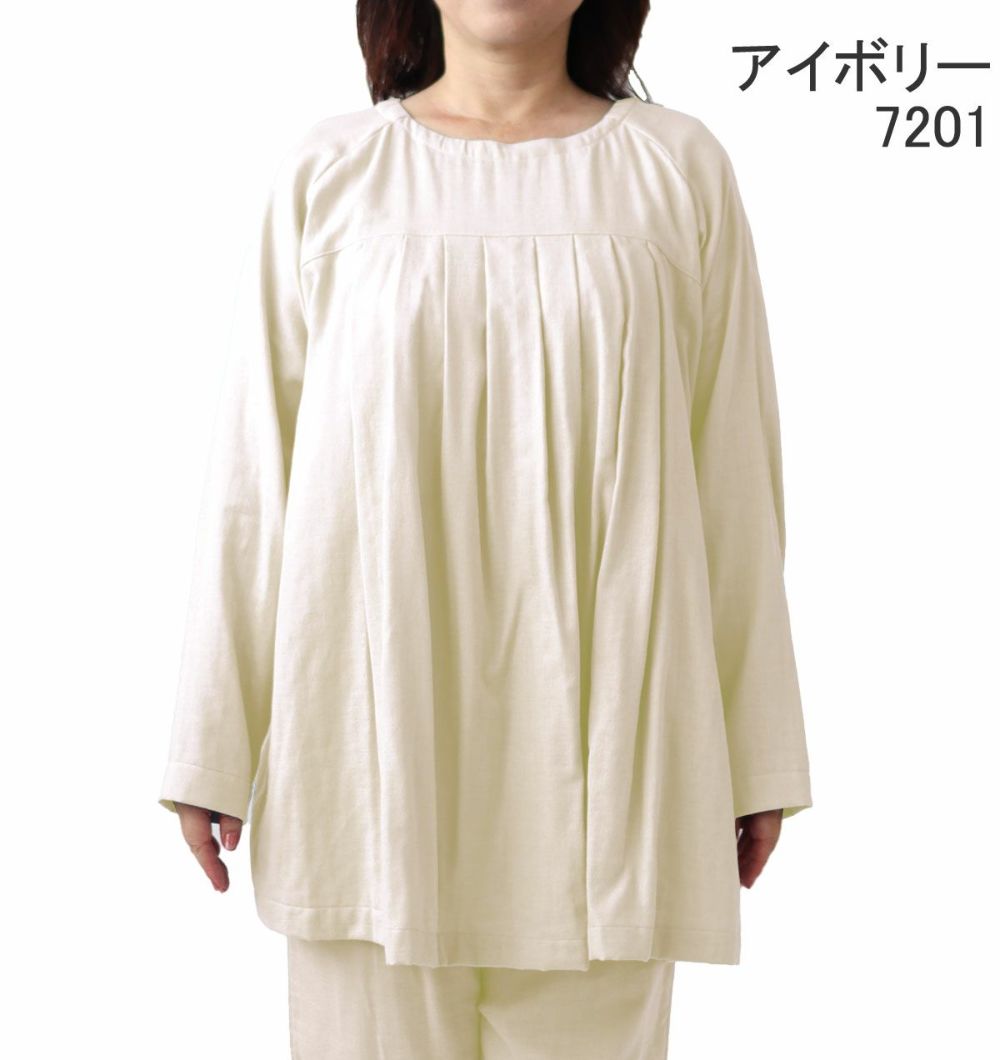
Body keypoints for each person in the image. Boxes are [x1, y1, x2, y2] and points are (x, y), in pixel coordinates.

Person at [158, 1, 814, 1056]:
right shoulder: (332, 173)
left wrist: (755, 754)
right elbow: (253, 479)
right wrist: (211, 743)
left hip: (615, 764)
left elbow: (733, 475)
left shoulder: (676, 170)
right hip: (366, 758)